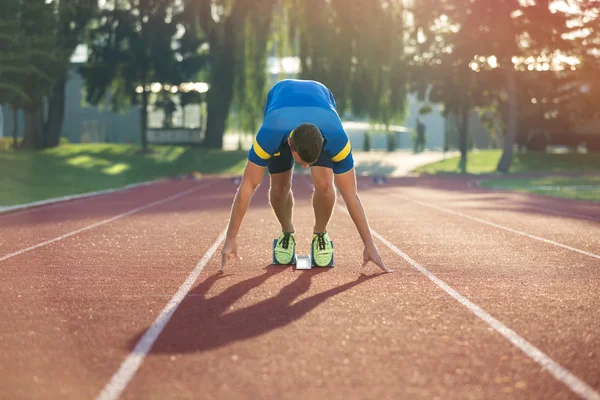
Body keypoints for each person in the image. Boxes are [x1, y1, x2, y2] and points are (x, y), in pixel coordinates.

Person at [220, 79, 392, 273]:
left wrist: (369, 244)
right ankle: (287, 232)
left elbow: (351, 194)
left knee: (326, 186)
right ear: (290, 145)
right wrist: (231, 238)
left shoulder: (337, 138)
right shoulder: (270, 133)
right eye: (302, 162)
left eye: (311, 162)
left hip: (322, 106)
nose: (305, 167)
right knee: (279, 188)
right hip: (280, 105)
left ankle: (320, 234)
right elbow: (248, 185)